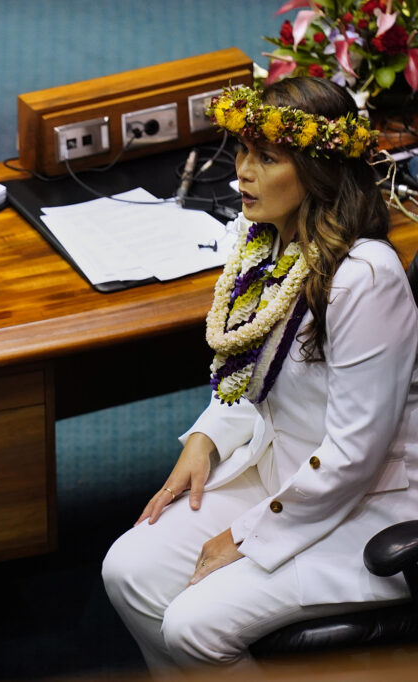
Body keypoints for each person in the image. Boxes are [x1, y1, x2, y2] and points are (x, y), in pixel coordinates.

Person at [102, 76, 418, 672]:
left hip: (367, 506)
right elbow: (254, 370)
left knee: (193, 627)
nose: (241, 172)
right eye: (242, 152)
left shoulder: (365, 279)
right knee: (127, 571)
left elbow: (355, 453)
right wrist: (206, 435)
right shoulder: (268, 242)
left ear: (319, 173)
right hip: (280, 470)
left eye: (265, 158)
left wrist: (244, 536)